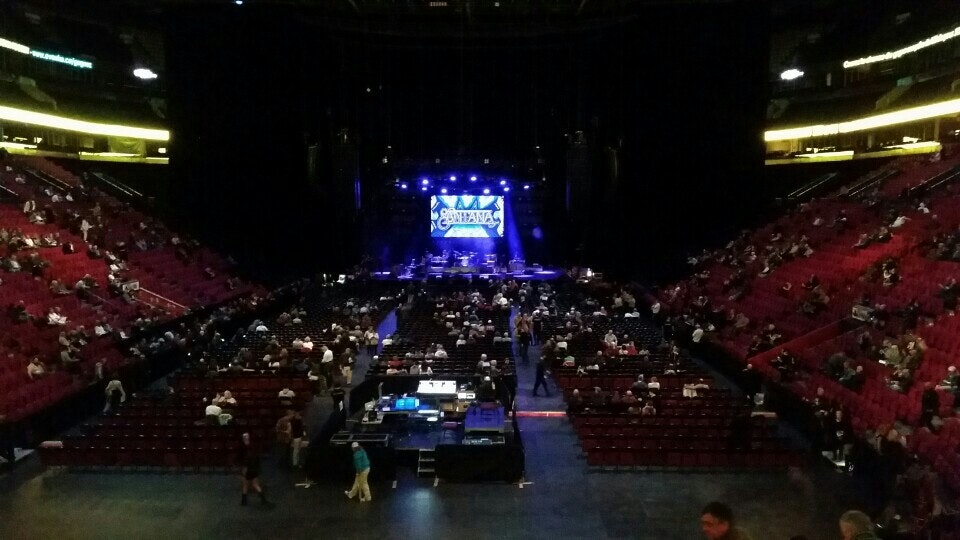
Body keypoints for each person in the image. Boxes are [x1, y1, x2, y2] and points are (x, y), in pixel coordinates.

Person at [240, 433, 272, 507]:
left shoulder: (243, 449)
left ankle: (244, 501)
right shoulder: (252, 447)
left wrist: (244, 470)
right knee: (255, 484)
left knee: (245, 485)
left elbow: (243, 460)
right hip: (253, 469)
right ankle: (263, 499)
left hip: (248, 469)